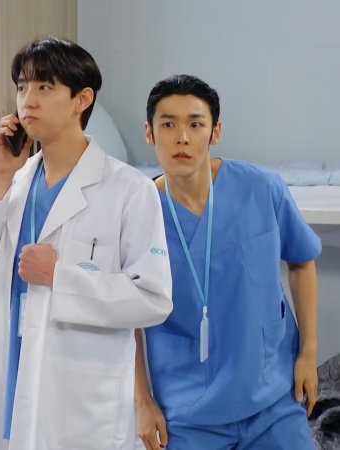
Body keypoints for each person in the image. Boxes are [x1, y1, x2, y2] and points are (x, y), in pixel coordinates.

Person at [0, 37, 172, 450]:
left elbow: (153, 299)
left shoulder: (129, 189)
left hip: (77, 406)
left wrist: (60, 277)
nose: (27, 101)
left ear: (81, 99)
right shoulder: (14, 182)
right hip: (7, 389)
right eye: (22, 87)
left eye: (44, 87)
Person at [134, 74, 321, 450]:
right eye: (168, 125)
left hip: (272, 397)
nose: (182, 137)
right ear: (149, 133)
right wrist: (142, 401)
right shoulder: (139, 213)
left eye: (195, 124)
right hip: (187, 412)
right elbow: (129, 318)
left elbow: (302, 262)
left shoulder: (262, 188)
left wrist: (308, 352)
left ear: (215, 132)